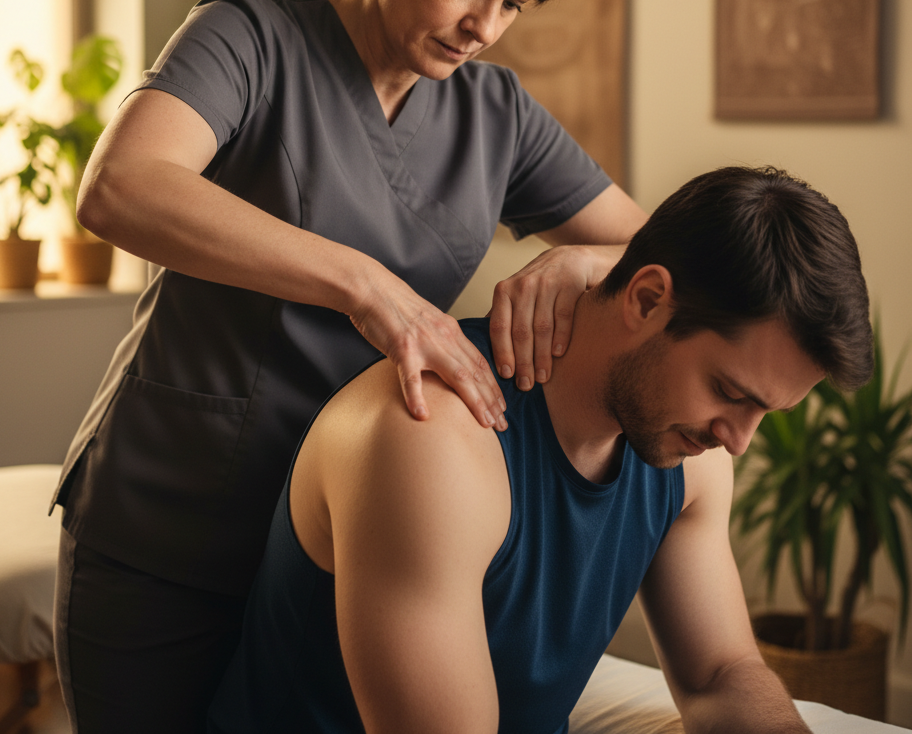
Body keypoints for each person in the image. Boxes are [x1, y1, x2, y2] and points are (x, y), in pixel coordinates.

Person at [51, 0, 649, 733]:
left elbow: (660, 256)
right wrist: (368, 287)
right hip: (168, 531)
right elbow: (123, 187)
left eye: (515, 4)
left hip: (330, 547)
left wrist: (578, 257)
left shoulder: (497, 115)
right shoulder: (248, 37)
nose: (484, 26)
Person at [208, 166, 874, 734]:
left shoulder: (694, 457)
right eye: (730, 391)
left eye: (764, 410)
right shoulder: (430, 438)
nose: (738, 438)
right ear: (646, 299)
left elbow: (720, 674)